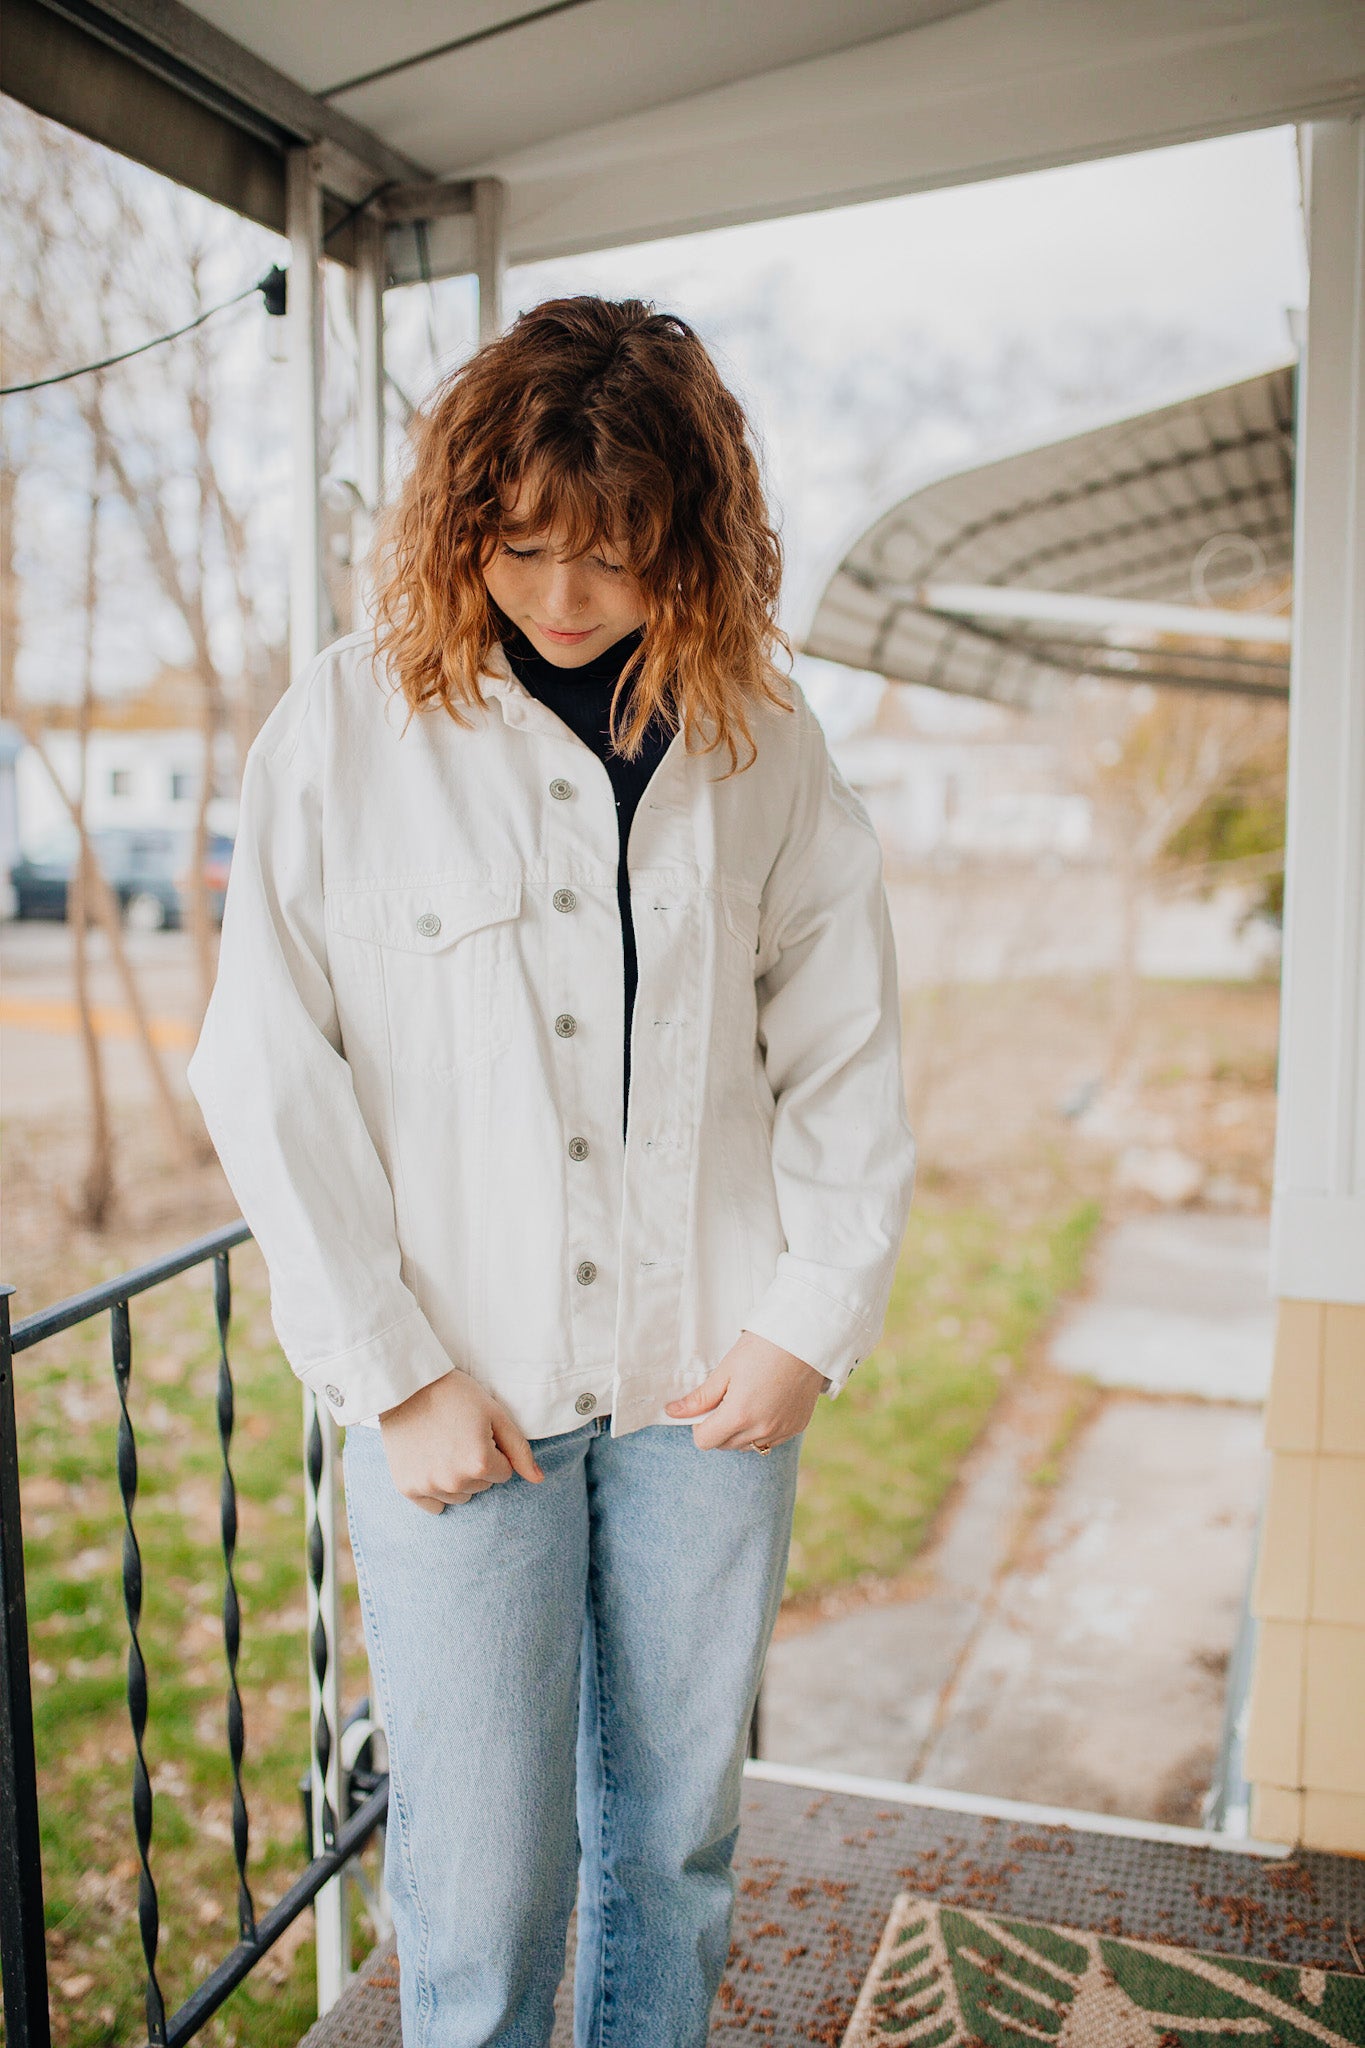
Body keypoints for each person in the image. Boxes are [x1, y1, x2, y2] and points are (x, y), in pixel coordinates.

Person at [186, 295, 916, 2048]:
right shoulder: (346, 736)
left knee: (672, 1844)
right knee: (483, 1878)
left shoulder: (761, 743)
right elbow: (265, 1070)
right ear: (465, 525)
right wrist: (399, 1373)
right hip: (465, 1395)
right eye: (522, 549)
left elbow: (844, 1051)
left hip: (705, 1383)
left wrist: (809, 1316)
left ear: (692, 535)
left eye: (615, 554)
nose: (568, 598)